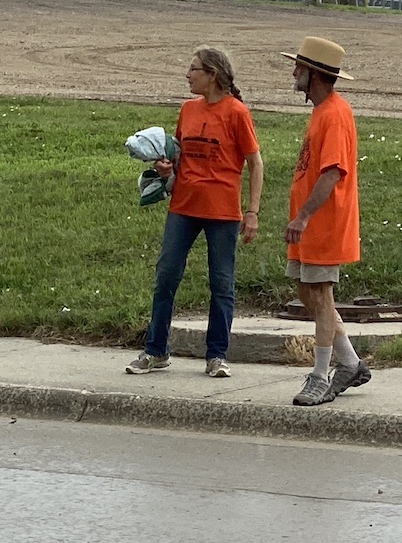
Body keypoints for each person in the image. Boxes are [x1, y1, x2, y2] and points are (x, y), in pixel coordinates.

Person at [125, 46, 264, 378]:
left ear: (212, 75)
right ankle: (156, 350)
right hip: (184, 206)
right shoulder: (188, 110)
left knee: (221, 283)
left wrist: (252, 211)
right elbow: (178, 156)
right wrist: (165, 169)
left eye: (194, 69)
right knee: (166, 276)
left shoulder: (237, 113)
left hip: (222, 211)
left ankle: (216, 355)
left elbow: (255, 163)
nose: (187, 75)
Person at [280, 36, 370, 406]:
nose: (294, 73)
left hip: (324, 224)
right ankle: (350, 362)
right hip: (308, 226)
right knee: (307, 293)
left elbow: (333, 172)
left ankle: (319, 376)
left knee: (320, 294)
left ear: (314, 74)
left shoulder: (335, 114)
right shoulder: (322, 111)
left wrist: (303, 216)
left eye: (299, 67)